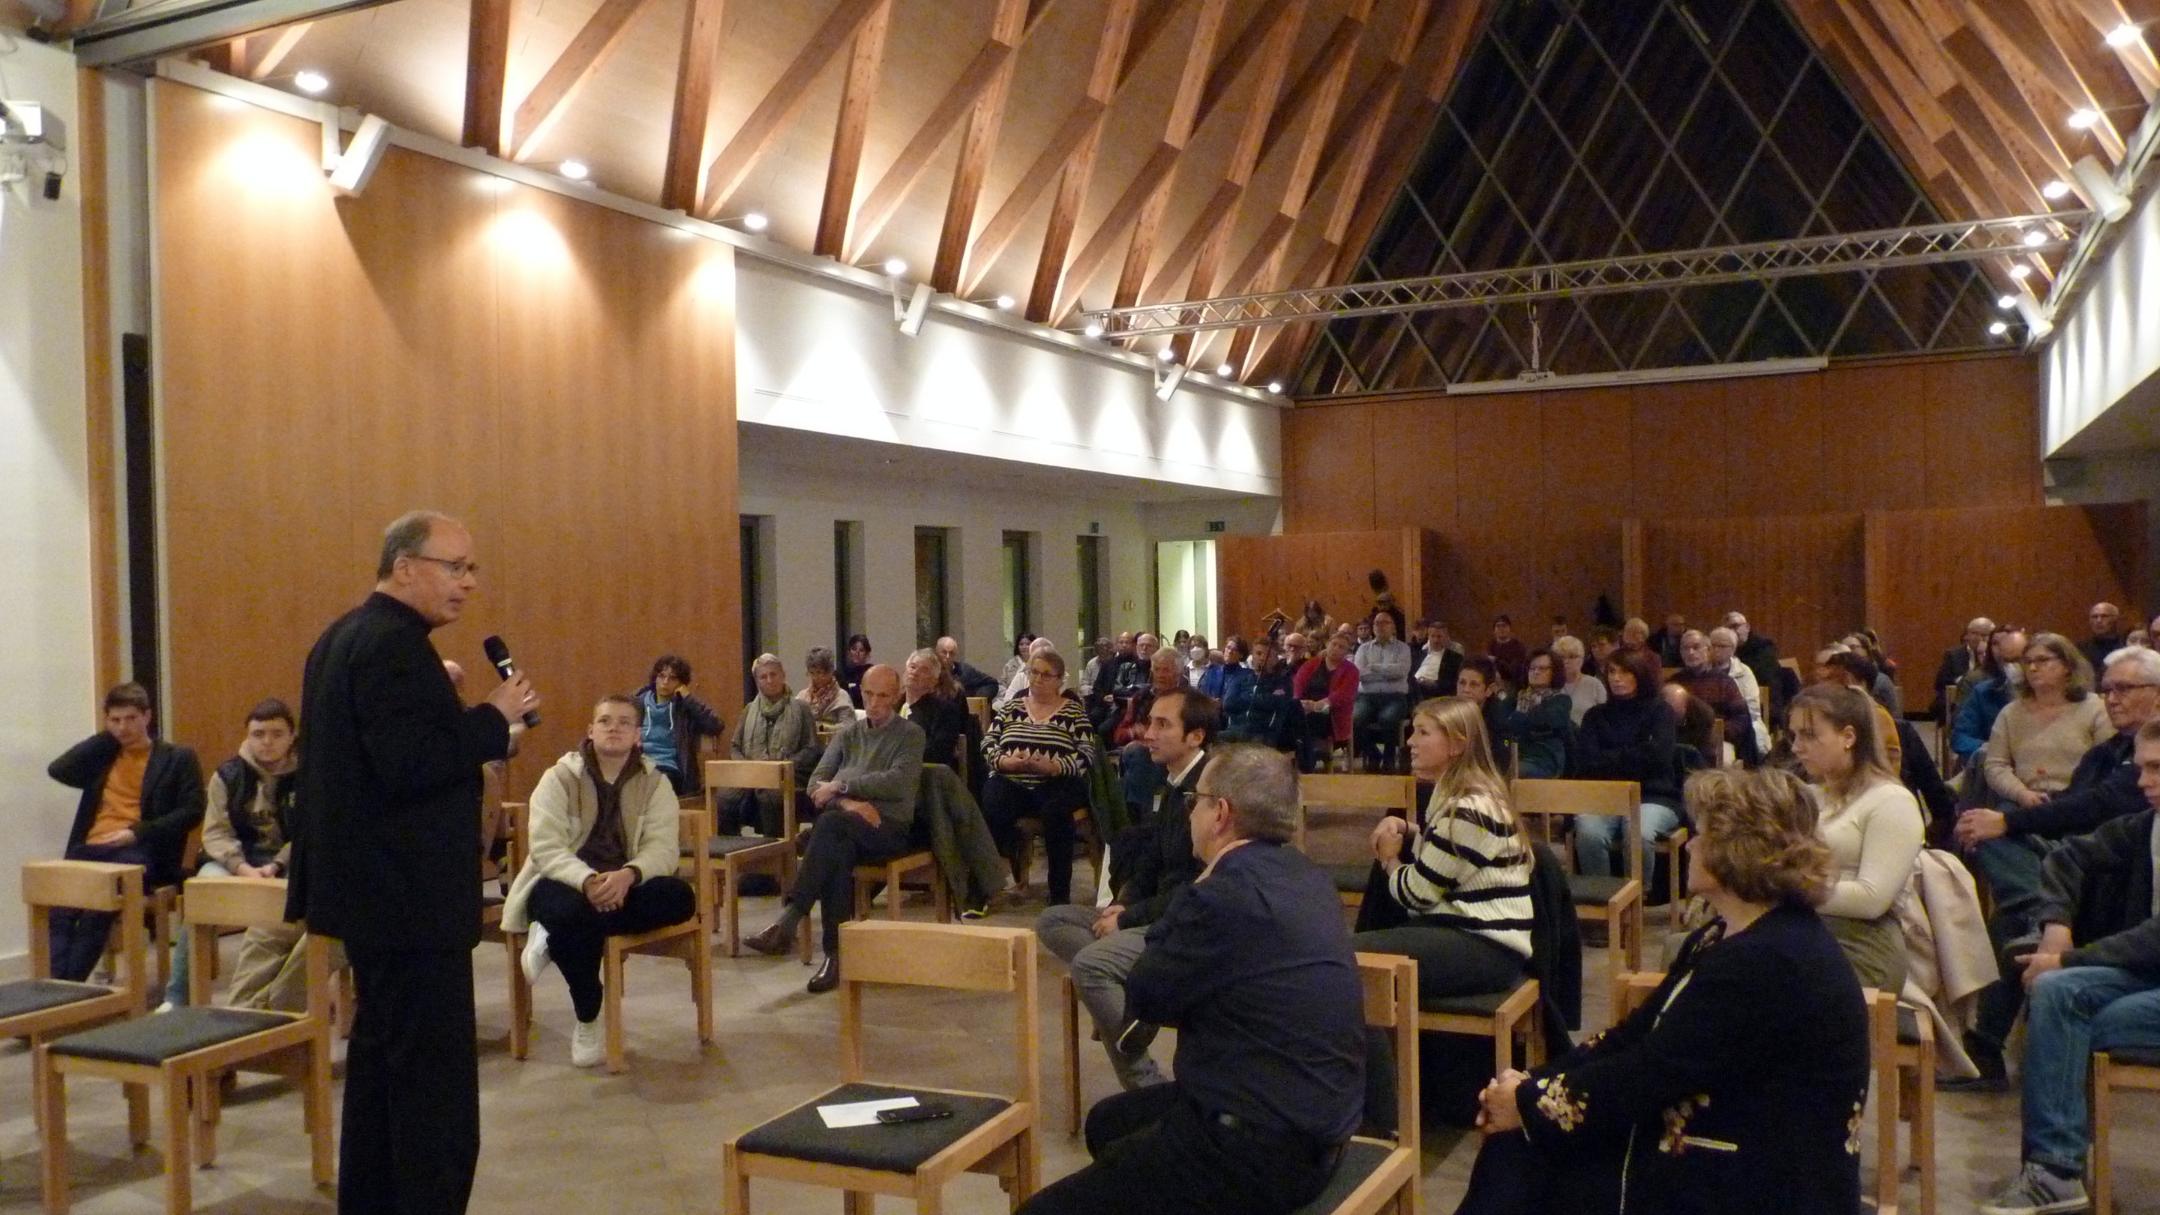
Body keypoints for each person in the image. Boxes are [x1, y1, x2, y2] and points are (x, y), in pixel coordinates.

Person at [1453, 767, 1869, 1215]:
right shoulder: (1726, 935)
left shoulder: (1767, 960)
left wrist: (1530, 1105)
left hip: (1766, 1181)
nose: (1689, 844)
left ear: (1738, 850)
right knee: (1520, 1144)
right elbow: (1634, 1036)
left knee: (1523, 1153)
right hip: (1721, 1146)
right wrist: (1533, 1085)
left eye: (1702, 834)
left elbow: (1650, 1073)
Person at [286, 509, 535, 1215]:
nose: (468, 582)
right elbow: (411, 765)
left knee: (380, 1071)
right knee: (433, 1089)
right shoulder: (396, 648)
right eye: (454, 567)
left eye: (471, 568)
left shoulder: (343, 636)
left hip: (368, 897)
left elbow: (380, 758)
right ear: (405, 566)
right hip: (410, 901)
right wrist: (491, 716)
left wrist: (464, 723)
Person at [1016, 745, 1365, 1215]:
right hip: (1316, 1117)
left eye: (1196, 800)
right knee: (1108, 1123)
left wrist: (1190, 900)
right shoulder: (1305, 874)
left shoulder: (1219, 893)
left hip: (1254, 1144)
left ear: (1220, 813)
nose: (1190, 812)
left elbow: (1146, 995)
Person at [1975, 717, 2160, 1215]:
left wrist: (2069, 957)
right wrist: (2056, 924)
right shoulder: (2146, 825)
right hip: (2148, 980)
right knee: (2056, 992)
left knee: (2069, 1018)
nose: (2143, 782)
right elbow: (2067, 859)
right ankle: (2056, 1171)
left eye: (2156, 769)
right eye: (2142, 768)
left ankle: (2053, 1165)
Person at [1954, 645, 2160, 1087]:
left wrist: (2010, 819)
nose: (2112, 698)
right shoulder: (2106, 752)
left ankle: (1985, 1049)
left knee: (2012, 918)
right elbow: (2068, 814)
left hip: (2118, 895)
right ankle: (2036, 908)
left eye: (2124, 688)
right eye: (2107, 690)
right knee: (1998, 841)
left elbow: (2100, 806)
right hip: (2073, 869)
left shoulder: (2146, 761)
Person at [1036, 689, 1214, 1091]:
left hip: (1181, 924)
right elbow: (1152, 857)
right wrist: (1121, 904)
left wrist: (1131, 917)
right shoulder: (1173, 783)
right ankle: (1134, 999)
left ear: (1195, 737)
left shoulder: (1206, 792)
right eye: (1149, 722)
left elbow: (1198, 888)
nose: (1148, 733)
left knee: (1090, 967)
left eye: (1162, 725)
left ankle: (1147, 1087)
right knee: (1054, 919)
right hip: (1151, 912)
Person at [506, 695, 696, 1067]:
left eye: (624, 722)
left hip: (627, 886)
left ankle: (552, 934)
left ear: (637, 735)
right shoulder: (559, 777)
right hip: (566, 882)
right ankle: (589, 1011)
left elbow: (663, 851)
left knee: (679, 897)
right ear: (590, 731)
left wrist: (628, 875)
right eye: (605, 721)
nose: (614, 728)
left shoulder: (655, 782)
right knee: (561, 904)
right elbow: (546, 848)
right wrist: (588, 880)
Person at [744, 664, 924, 992]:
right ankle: (835, 957)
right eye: (869, 694)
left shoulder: (910, 734)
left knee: (828, 828)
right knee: (835, 847)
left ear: (896, 697)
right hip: (846, 824)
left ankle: (790, 919)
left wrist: (840, 787)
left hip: (889, 827)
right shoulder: (849, 734)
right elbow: (815, 782)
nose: (875, 702)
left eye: (883, 695)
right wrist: (850, 802)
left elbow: (898, 782)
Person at [1353, 697, 1533, 1000]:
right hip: (1465, 933)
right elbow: (1450, 852)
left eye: (1423, 733)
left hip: (1486, 947)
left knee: (1343, 962)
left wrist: (1389, 857)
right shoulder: (1460, 795)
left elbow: (1416, 894)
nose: (1410, 741)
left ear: (1456, 746)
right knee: (1343, 958)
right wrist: (1409, 830)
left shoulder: (1468, 808)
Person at [45, 682, 207, 983]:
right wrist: (108, 739)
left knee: (98, 908)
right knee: (60, 909)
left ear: (147, 716)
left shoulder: (177, 758)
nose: (123, 727)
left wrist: (137, 832)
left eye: (131, 719)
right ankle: (55, 986)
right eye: (115, 720)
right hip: (90, 848)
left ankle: (67, 986)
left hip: (139, 851)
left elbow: (192, 811)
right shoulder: (104, 756)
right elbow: (58, 769)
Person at [161, 698, 299, 1010]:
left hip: (289, 859)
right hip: (236, 859)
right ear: (248, 736)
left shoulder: (309, 775)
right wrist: (243, 868)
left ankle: (278, 996)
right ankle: (177, 997)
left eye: (276, 734)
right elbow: (215, 833)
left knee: (299, 895)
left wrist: (277, 864)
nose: (267, 742)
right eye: (259, 734)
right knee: (201, 892)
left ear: (292, 737)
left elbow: (310, 833)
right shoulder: (227, 775)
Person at [1786, 684, 1924, 993]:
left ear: (1848, 737)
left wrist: (1779, 887)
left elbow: (1871, 899)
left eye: (1809, 735)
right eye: (1794, 735)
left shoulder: (1891, 801)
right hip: (1809, 931)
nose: (1796, 747)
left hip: (1862, 946)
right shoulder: (1810, 796)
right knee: (1692, 948)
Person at [978, 650, 1096, 906]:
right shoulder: (1011, 707)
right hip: (1013, 779)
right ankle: (985, 887)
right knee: (991, 800)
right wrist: (1004, 761)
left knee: (1057, 812)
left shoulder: (1074, 712)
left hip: (1056, 782)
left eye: (1046, 675)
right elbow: (988, 741)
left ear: (1058, 680)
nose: (1038, 679)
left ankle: (1059, 895)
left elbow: (1087, 753)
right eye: (1034, 672)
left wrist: (1055, 766)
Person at [1569, 645, 1684, 882]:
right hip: (1606, 796)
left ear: (1640, 674)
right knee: (1589, 832)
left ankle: (1636, 901)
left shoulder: (1660, 711)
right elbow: (1587, 762)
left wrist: (1610, 757)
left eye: (1625, 672)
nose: (1616, 678)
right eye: (1611, 672)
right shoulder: (1595, 715)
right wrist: (1635, 754)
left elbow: (1659, 758)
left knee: (1637, 832)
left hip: (1653, 794)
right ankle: (1602, 897)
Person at [1980, 632, 2110, 816]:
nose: (2032, 668)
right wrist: (2021, 793)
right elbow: (1995, 765)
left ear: (2067, 665)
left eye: (2042, 660)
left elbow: (2105, 766)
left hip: (2078, 803)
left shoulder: (2096, 709)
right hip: (2024, 801)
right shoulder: (2011, 713)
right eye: (2027, 662)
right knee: (1987, 836)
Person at [724, 653, 819, 836]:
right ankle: (733, 856)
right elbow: (735, 746)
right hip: (752, 775)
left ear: (783, 675)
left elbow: (812, 749)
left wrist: (784, 766)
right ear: (757, 681)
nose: (769, 680)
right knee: (725, 799)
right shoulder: (749, 709)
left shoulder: (801, 708)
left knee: (771, 797)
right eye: (763, 676)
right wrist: (746, 768)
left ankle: (774, 856)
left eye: (773, 674)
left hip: (789, 776)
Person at [633, 654, 724, 795]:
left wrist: (688, 698)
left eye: (672, 678)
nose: (665, 682)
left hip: (670, 767)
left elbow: (715, 726)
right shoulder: (638, 703)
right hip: (639, 764)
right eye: (661, 676)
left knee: (655, 784)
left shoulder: (685, 708)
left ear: (681, 683)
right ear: (655, 678)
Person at [1670, 629, 1760, 767]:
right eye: (1685, 648)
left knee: (1722, 762)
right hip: (1682, 741)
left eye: (1696, 647)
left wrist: (1719, 732)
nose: (1691, 652)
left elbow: (1742, 718)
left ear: (1708, 650)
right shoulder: (1674, 683)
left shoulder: (1724, 682)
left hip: (1717, 740)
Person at [901, 646, 984, 796]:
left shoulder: (945, 710)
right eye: (912, 667)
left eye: (924, 670)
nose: (915, 672)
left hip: (925, 781)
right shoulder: (893, 705)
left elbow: (938, 754)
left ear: (934, 681)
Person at [1489, 648, 1574, 778]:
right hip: (1511, 755)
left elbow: (1544, 721)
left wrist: (1518, 719)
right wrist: (1524, 723)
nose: (1536, 672)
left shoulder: (1561, 700)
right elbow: (1501, 723)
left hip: (1543, 759)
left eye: (1542, 668)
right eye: (1532, 668)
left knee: (1512, 773)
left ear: (1554, 672)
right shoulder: (1516, 697)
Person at [1953, 627, 2028, 767]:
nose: (2013, 667)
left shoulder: (2051, 695)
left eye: (2018, 660)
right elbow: (1960, 738)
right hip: (1995, 764)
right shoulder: (1984, 692)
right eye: (2007, 661)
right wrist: (1996, 748)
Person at [1352, 611, 1414, 769]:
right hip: (1366, 696)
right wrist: (1387, 673)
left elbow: (1401, 672)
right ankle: (1372, 753)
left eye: (1385, 622)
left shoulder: (1403, 648)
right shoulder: (1363, 649)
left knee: (1388, 719)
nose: (1380, 626)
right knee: (1355, 719)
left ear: (1393, 627)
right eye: (1376, 623)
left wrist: (1373, 668)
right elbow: (1360, 674)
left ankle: (1389, 756)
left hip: (1394, 696)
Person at [1293, 630, 1360, 771]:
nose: (1336, 648)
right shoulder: (1311, 665)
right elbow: (1298, 685)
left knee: (1316, 717)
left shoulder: (1351, 670)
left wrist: (1319, 705)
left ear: (1347, 652)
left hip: (1333, 712)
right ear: (1327, 644)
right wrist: (1301, 702)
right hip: (1306, 707)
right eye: (1334, 644)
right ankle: (1306, 752)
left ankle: (1310, 754)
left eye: (1341, 647)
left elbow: (1344, 695)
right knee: (1294, 715)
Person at [1222, 634, 1296, 749]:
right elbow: (1228, 703)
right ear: (1252, 656)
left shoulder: (1282, 682)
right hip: (1235, 730)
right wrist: (1264, 698)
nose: (1262, 658)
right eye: (1258, 654)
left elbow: (1278, 705)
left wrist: (1246, 696)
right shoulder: (1240, 677)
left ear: (1276, 659)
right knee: (1212, 740)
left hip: (1263, 733)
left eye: (1268, 655)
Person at [1707, 625, 1769, 755]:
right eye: (1713, 645)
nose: (1716, 650)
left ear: (1733, 649)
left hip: (1738, 724)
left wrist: (1730, 728)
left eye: (1722, 646)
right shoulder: (1704, 670)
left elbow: (1752, 708)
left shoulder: (1743, 671)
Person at [1935, 616, 1995, 720]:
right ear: (1967, 635)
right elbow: (1940, 683)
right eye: (1975, 634)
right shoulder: (1953, 655)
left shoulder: (1995, 655)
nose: (1980, 638)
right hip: (1958, 699)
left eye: (1985, 635)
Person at [795, 646, 855, 732]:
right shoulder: (802, 696)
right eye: (812, 673)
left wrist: (822, 728)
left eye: (819, 673)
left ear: (830, 672)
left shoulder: (841, 696)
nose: (815, 678)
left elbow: (849, 727)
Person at [1724, 610, 1782, 693]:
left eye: (1735, 626)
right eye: (1728, 629)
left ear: (1747, 627)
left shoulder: (1764, 645)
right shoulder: (1728, 650)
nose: (1732, 631)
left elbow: (1765, 677)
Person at [1553, 634, 1605, 726]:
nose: (1566, 661)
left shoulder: (1594, 684)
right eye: (1561, 657)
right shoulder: (1551, 684)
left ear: (1581, 659)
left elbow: (1605, 716)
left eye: (1572, 657)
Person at [936, 634, 1001, 700]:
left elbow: (991, 683)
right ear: (937, 652)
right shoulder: (930, 672)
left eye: (951, 653)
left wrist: (976, 700)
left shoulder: (964, 671)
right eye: (944, 652)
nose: (948, 656)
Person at [1412, 619, 1464, 700]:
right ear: (1428, 637)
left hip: (1436, 693)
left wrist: (1429, 683)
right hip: (1415, 689)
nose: (1435, 640)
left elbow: (1451, 683)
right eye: (1432, 636)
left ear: (1446, 637)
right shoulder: (1420, 653)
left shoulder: (1454, 657)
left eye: (1439, 637)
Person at [1200, 635, 1253, 706]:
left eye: (1235, 649)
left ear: (1241, 655)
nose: (1230, 651)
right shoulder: (1212, 671)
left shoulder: (1246, 675)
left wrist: (1222, 704)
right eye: (1228, 647)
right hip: (1209, 711)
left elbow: (1245, 700)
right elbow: (1201, 692)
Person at [2081, 601, 2128, 673]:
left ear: (2116, 619)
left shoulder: (2126, 646)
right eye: (2094, 617)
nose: (2099, 621)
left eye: (2104, 616)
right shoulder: (2081, 649)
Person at [995, 633, 1039, 706]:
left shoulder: (1039, 663)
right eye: (1021, 644)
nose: (1024, 647)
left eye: (1027, 644)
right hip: (1010, 696)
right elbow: (1002, 683)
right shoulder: (1010, 664)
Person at [1487, 615, 1529, 687]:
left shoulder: (1518, 646)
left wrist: (1496, 660)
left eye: (1504, 626)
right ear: (1494, 630)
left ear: (1509, 628)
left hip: (1511, 683)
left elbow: (1515, 670)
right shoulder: (1491, 645)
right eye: (1498, 626)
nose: (1501, 629)